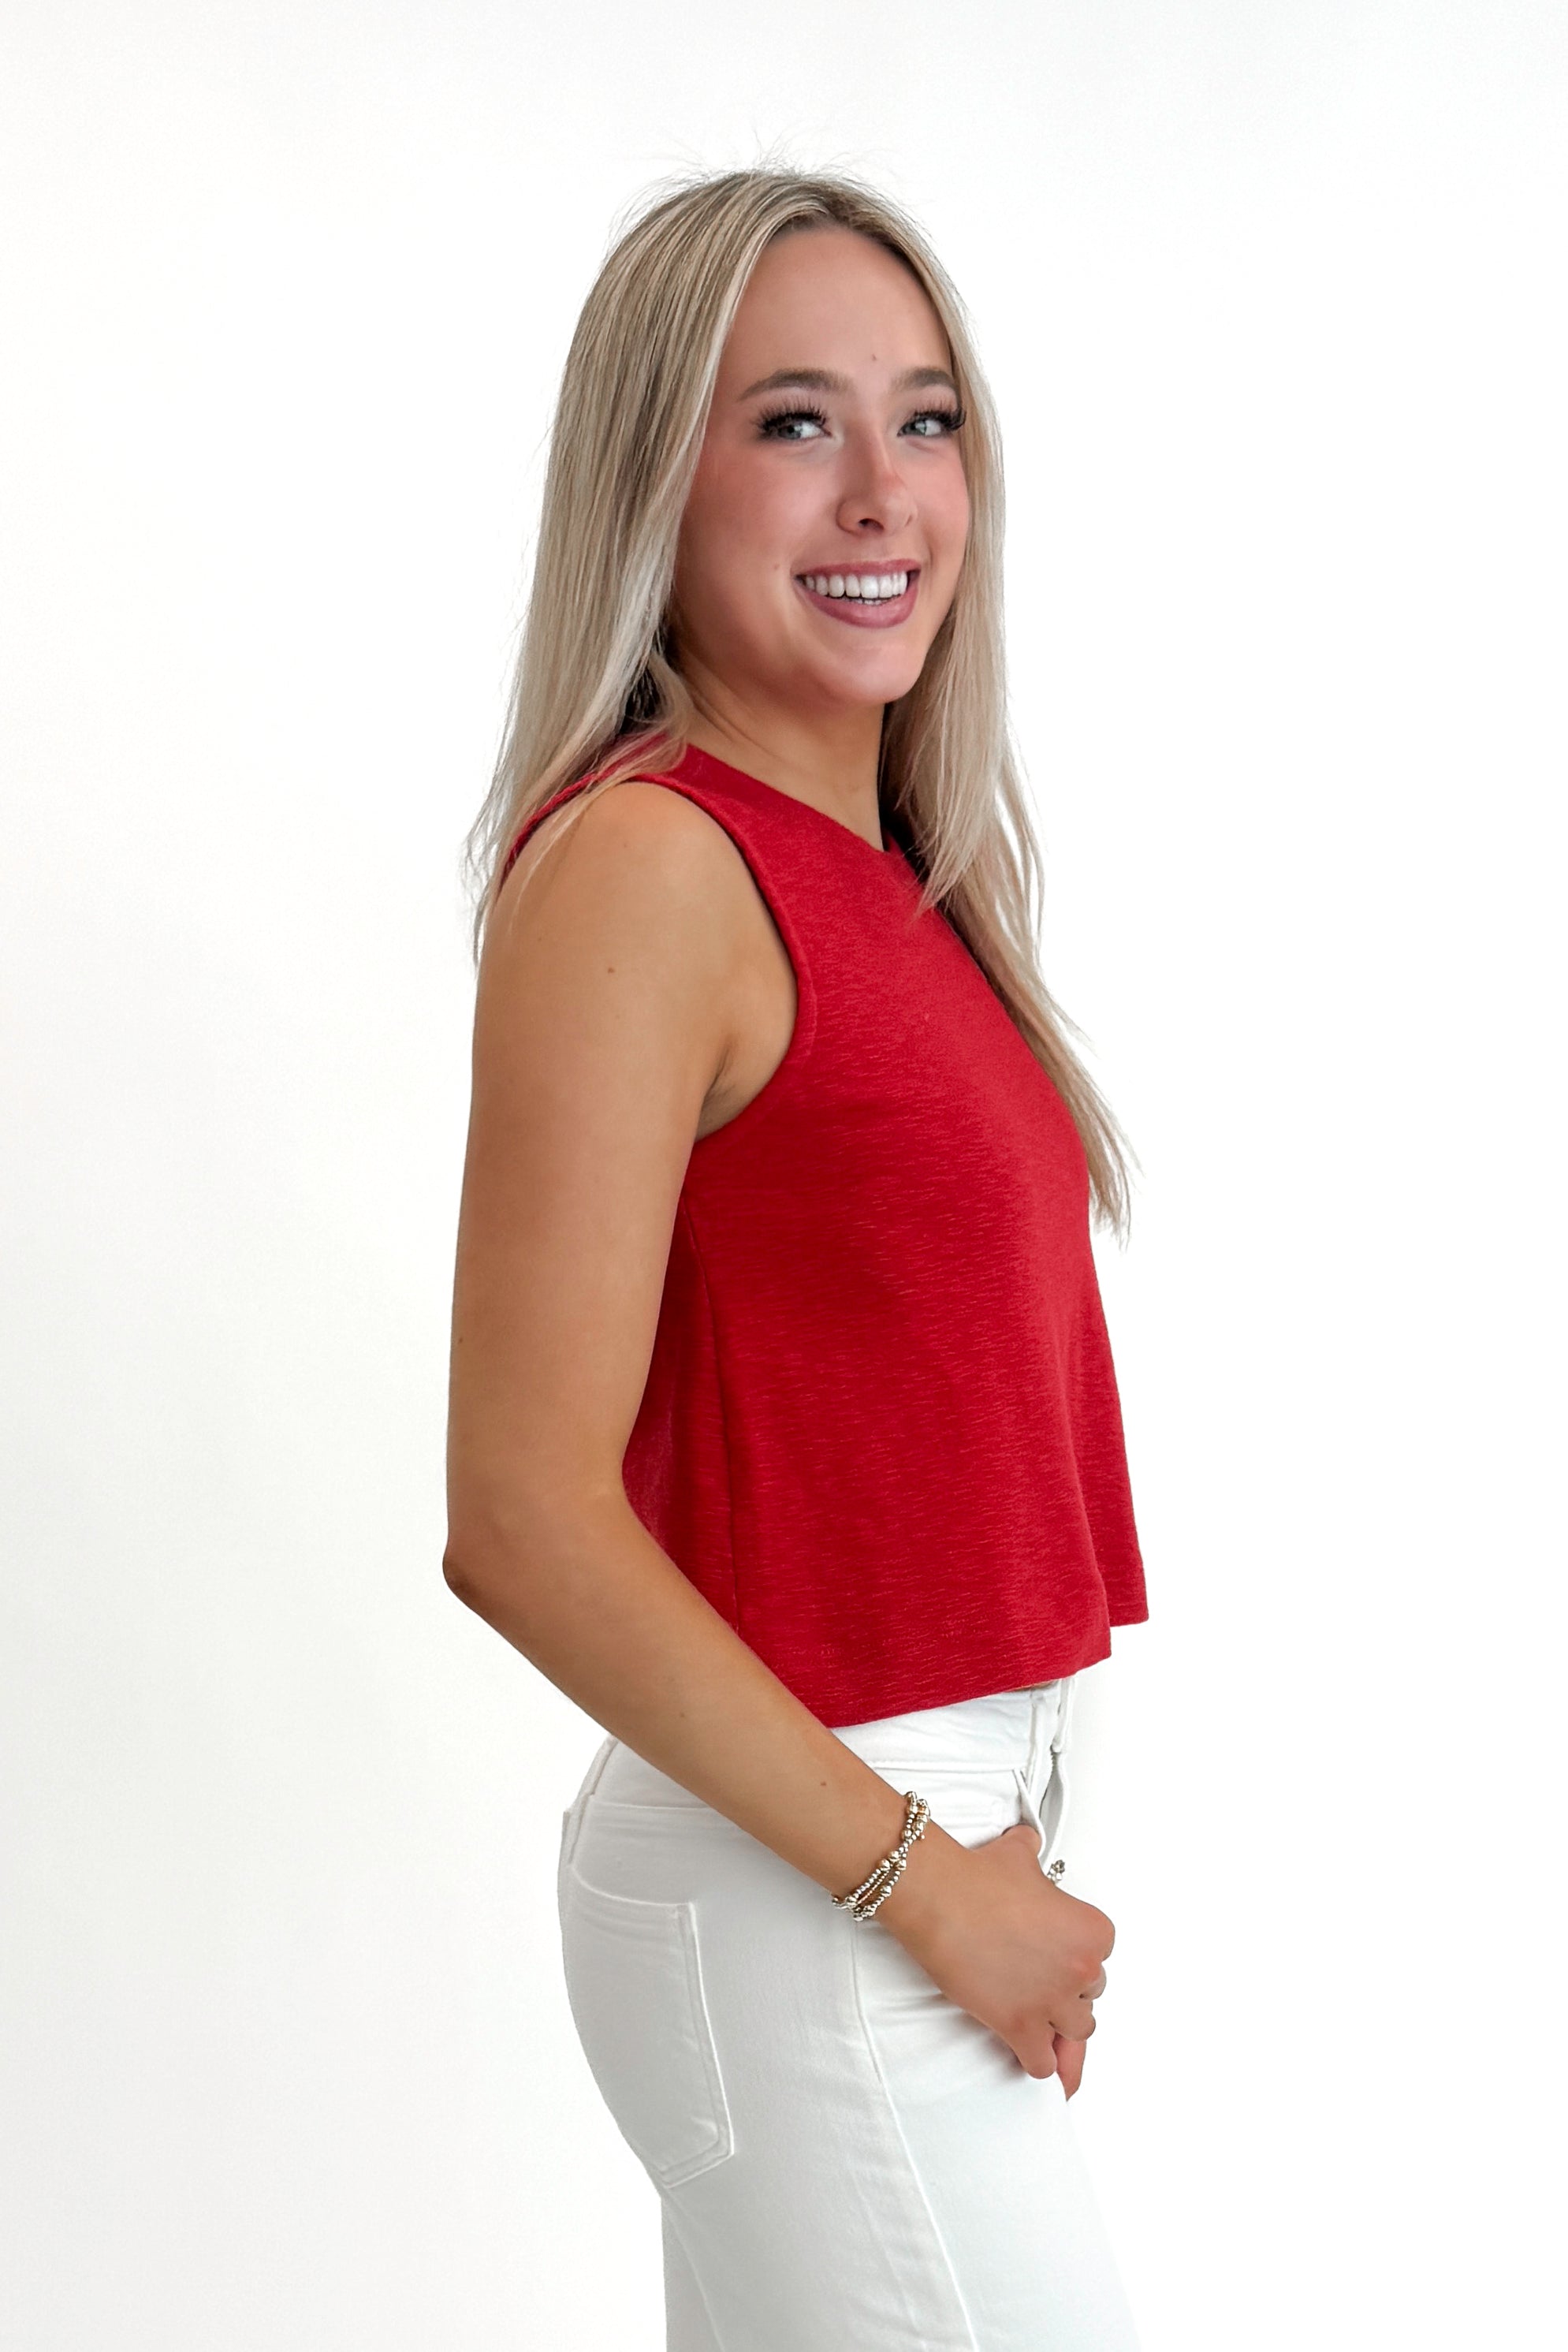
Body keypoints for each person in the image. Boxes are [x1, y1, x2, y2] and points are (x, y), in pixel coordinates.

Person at [443, 166, 1149, 2351]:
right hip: (823, 1891)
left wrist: (974, 1861)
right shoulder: (653, 868)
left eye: (926, 421)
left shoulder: (897, 885)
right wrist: (927, 1889)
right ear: (658, 468)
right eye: (793, 421)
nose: (882, 492)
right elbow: (521, 1519)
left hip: (885, 1865)